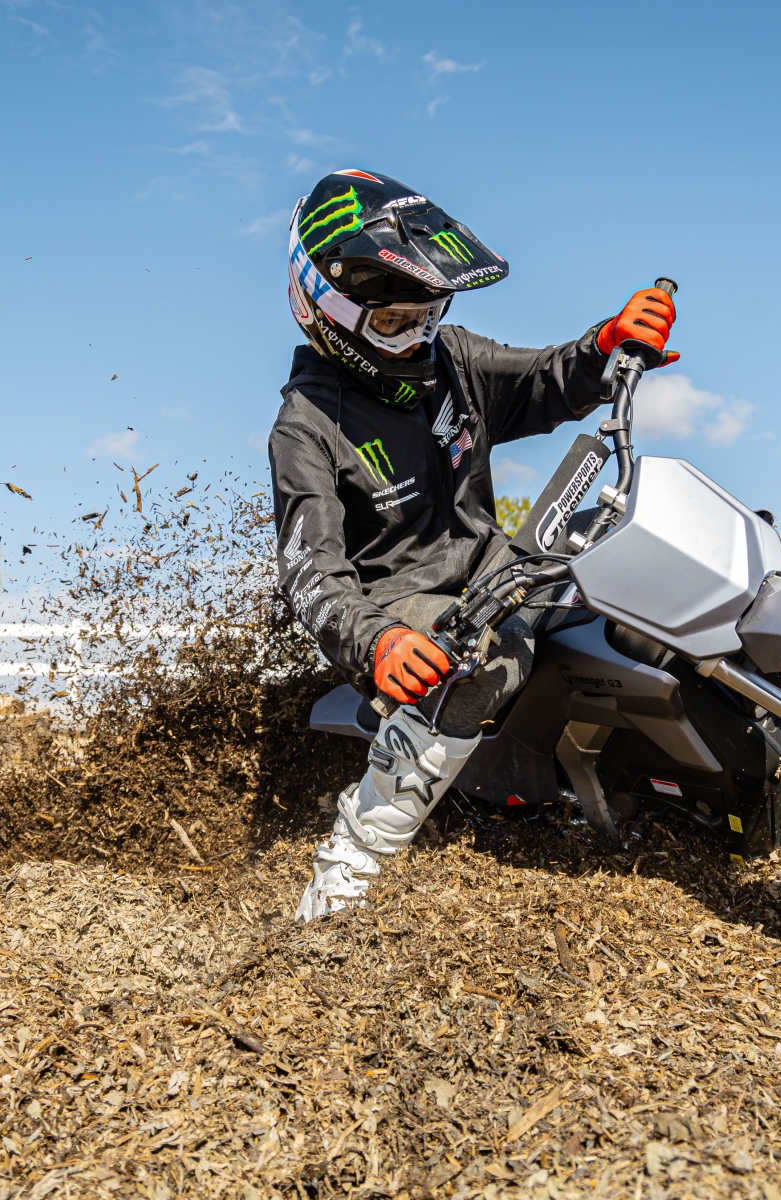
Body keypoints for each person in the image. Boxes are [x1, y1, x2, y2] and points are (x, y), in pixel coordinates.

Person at [268, 169, 677, 922]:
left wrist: (604, 344)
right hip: (401, 610)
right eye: (393, 322)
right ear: (323, 308)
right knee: (484, 654)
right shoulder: (305, 427)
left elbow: (542, 381)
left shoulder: (451, 357)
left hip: (497, 571)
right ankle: (343, 878)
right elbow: (310, 571)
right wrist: (376, 639)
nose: (416, 334)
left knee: (636, 547)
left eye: (427, 313)